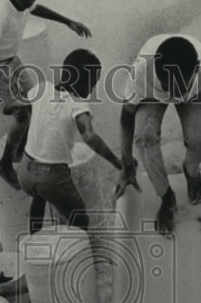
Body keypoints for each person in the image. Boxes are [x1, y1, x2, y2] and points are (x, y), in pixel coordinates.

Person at [0, 0, 92, 189]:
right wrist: (3, 75)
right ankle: (5, 164)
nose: (30, 1)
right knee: (22, 114)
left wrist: (69, 22)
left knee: (36, 100)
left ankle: (22, 151)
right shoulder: (2, 13)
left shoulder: (24, 0)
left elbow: (37, 9)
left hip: (10, 60)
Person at [114, 33, 201, 234]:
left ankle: (191, 171)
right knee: (144, 135)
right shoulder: (142, 70)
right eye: (169, 88)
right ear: (156, 72)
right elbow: (126, 118)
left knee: (200, 138)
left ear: (196, 68)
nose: (175, 95)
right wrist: (127, 166)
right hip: (153, 93)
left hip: (192, 91)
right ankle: (166, 196)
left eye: (179, 89)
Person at [17, 48, 122, 234]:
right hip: (51, 177)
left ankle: (34, 239)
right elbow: (89, 136)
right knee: (80, 218)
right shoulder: (77, 104)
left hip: (24, 171)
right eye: (91, 83)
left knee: (38, 197)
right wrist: (117, 162)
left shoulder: (42, 87)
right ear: (81, 81)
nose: (91, 89)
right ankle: (80, 256)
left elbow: (16, 106)